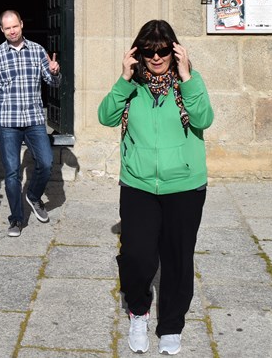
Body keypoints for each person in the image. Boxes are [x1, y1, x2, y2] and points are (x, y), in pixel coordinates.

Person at [97, 20, 214, 356]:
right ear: (139, 54)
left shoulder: (189, 82)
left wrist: (187, 76)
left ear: (174, 51)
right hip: (139, 184)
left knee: (178, 258)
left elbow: (203, 119)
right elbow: (106, 116)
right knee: (137, 255)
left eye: (163, 50)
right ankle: (138, 311)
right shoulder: (132, 86)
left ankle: (171, 325)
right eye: (149, 51)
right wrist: (123, 79)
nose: (157, 57)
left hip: (184, 185)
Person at [0, 10, 61, 237]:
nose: (12, 31)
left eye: (15, 26)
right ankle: (16, 218)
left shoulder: (37, 50)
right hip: (8, 122)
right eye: (7, 28)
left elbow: (52, 82)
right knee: (12, 173)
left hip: (34, 119)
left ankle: (33, 196)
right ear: (2, 30)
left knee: (46, 163)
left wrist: (55, 72)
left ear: (22, 24)